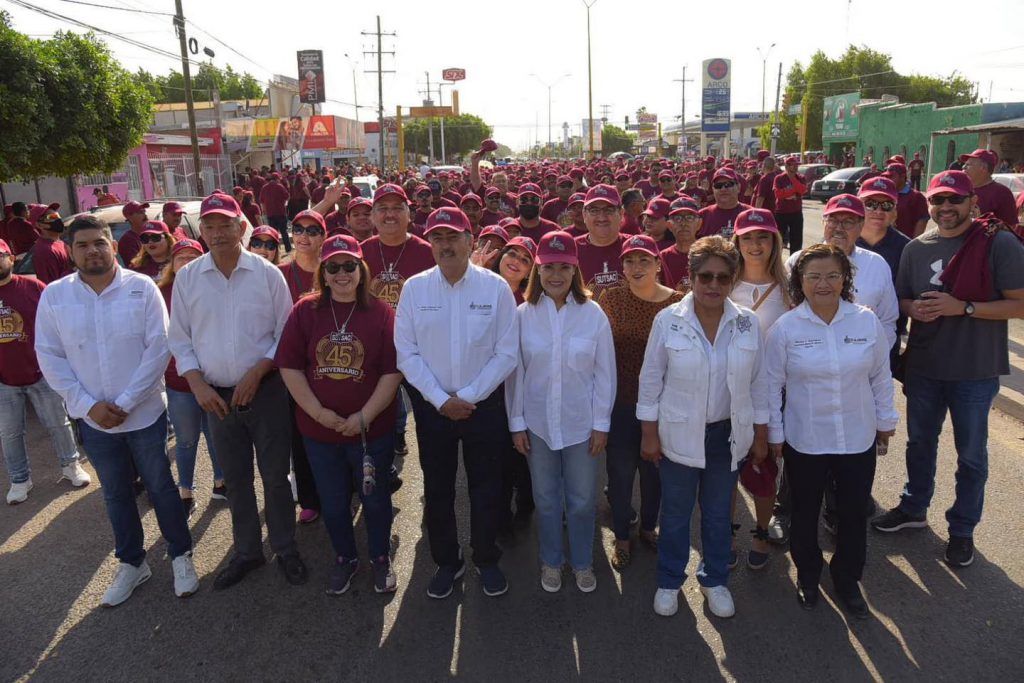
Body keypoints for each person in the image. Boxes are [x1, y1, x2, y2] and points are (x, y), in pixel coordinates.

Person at [34, 215, 198, 606]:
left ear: (112, 244)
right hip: (92, 421)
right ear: (70, 252)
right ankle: (132, 562)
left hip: (142, 415)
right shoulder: (55, 296)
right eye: (83, 245)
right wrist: (88, 406)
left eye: (100, 242)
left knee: (160, 486)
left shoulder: (141, 288)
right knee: (115, 494)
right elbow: (50, 356)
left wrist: (124, 403)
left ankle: (180, 554)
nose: (93, 250)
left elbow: (159, 348)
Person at [871, 171, 1024, 568]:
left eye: (955, 200)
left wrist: (966, 307)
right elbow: (900, 300)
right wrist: (912, 308)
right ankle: (914, 508)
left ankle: (962, 529)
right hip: (924, 366)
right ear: (928, 204)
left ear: (973, 202)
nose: (946, 208)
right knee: (920, 443)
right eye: (938, 201)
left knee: (971, 455)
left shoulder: (998, 243)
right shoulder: (916, 248)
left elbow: (1020, 304)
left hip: (974, 370)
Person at [168, 191, 308, 590]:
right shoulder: (189, 278)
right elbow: (179, 339)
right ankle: (248, 551)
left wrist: (259, 370)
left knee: (276, 475)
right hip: (215, 396)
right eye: (209, 226)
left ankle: (284, 547)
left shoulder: (267, 274)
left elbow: (286, 334)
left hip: (265, 390)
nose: (217, 233)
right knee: (236, 478)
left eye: (225, 224)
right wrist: (195, 382)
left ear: (241, 226)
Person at [638, 235, 769, 619]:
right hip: (677, 434)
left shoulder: (748, 324)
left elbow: (759, 383)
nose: (714, 285)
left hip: (726, 438)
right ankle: (668, 580)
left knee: (717, 514)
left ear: (733, 280)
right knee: (676, 513)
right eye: (705, 276)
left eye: (723, 278)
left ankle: (714, 580)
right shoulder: (668, 321)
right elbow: (650, 381)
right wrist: (648, 434)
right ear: (690, 278)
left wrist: (761, 434)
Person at [766, 243, 898, 618]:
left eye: (832, 276)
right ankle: (808, 575)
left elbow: (880, 376)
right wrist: (775, 435)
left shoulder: (865, 320)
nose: (823, 283)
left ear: (845, 279)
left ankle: (846, 578)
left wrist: (886, 422)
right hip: (805, 438)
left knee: (854, 513)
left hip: (857, 437)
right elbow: (771, 385)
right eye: (814, 277)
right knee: (805, 511)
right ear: (800, 282)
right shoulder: (786, 328)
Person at [394, 207, 518, 599]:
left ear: (470, 240)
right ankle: (448, 561)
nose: (445, 245)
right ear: (429, 243)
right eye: (437, 238)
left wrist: (466, 398)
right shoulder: (415, 288)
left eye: (453, 237)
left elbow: (506, 353)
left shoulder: (495, 288)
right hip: (434, 411)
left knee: (486, 487)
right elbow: (406, 353)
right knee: (438, 488)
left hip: (483, 409)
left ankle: (485, 557)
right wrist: (440, 400)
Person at [277, 234, 403, 595]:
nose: (342, 273)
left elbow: (392, 372)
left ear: (362, 270)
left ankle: (380, 557)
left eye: (350, 265)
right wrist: (317, 412)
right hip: (319, 432)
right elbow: (289, 366)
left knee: (375, 498)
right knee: (332, 500)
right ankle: (345, 557)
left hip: (370, 430)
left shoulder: (381, 312)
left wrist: (364, 416)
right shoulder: (305, 310)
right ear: (323, 272)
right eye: (333, 267)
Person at [506, 231, 615, 593]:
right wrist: (517, 423)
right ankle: (551, 560)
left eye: (564, 267)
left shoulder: (592, 314)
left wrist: (601, 424)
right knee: (546, 500)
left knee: (583, 501)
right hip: (537, 424)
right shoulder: (523, 315)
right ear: (537, 269)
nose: (556, 275)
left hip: (581, 424)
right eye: (549, 267)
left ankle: (582, 561)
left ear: (575, 270)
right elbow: (516, 373)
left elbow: (605, 373)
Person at [599, 234, 683, 570]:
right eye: (630, 261)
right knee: (619, 475)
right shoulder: (612, 298)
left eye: (644, 260)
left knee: (654, 475)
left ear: (657, 264)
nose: (636, 267)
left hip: (663, 405)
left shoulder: (677, 302)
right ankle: (621, 534)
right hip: (620, 404)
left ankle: (648, 527)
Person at [0, 238, 90, 504]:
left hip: (42, 373)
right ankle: (19, 479)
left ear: (11, 257)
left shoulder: (34, 287)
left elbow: (58, 326)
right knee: (9, 433)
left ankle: (70, 466)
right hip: (4, 380)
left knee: (59, 424)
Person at [729, 209, 792, 564]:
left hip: (773, 394)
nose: (755, 245)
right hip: (729, 390)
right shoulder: (724, 283)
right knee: (726, 470)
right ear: (737, 242)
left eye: (763, 237)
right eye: (747, 237)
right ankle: (727, 534)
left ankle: (761, 532)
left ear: (775, 242)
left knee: (764, 466)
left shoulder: (789, 289)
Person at [363, 184, 435, 462]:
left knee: (429, 421)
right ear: (372, 216)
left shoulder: (428, 252)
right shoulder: (360, 253)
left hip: (421, 350)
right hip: (376, 351)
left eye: (397, 208)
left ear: (409, 214)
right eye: (382, 209)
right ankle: (380, 474)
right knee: (376, 419)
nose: (390, 215)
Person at [157, 238, 226, 516]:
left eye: (192, 256)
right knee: (186, 440)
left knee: (215, 436)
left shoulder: (215, 288)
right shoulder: (161, 292)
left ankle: (221, 482)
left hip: (212, 377)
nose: (186, 262)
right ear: (172, 264)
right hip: (178, 381)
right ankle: (186, 490)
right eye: (180, 257)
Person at [278, 209, 327, 524]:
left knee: (336, 433)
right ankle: (309, 498)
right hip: (293, 367)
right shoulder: (280, 273)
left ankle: (345, 493)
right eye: (298, 229)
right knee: (300, 435)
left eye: (312, 230)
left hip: (330, 364)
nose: (304, 236)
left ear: (323, 236)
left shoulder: (335, 268)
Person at [575, 184, 628, 301]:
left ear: (621, 213)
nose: (602, 217)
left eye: (609, 210)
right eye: (594, 210)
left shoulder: (636, 247)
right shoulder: (571, 250)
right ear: (584, 214)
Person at [961, 149, 1018, 227]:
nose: (963, 167)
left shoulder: (1002, 193)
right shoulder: (961, 190)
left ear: (983, 168)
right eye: (964, 164)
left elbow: (1010, 227)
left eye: (968, 165)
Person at [661, 197, 702, 291]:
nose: (683, 223)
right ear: (669, 226)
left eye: (689, 218)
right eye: (677, 218)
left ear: (699, 224)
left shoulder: (709, 255)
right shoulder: (663, 258)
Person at [697, 169, 752, 239]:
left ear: (738, 187)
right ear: (713, 189)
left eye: (728, 184)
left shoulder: (752, 214)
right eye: (718, 185)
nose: (723, 189)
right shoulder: (702, 216)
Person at [28, 204, 72, 284]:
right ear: (39, 225)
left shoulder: (60, 243)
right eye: (52, 217)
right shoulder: (44, 251)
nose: (58, 219)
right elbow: (51, 286)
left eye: (58, 216)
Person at [885, 163, 929, 239]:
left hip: (905, 244)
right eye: (887, 177)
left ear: (902, 177)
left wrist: (913, 245)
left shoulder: (916, 196)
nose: (888, 179)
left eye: (892, 176)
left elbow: (922, 221)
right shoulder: (885, 195)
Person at [773, 156, 807, 251]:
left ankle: (794, 262)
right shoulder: (779, 178)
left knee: (796, 240)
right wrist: (793, 192)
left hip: (796, 213)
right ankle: (777, 262)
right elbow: (778, 194)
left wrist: (792, 180)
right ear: (787, 166)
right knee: (779, 240)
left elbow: (803, 190)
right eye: (793, 165)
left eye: (797, 165)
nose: (796, 167)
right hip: (781, 213)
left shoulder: (801, 178)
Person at [260, 173, 293, 252]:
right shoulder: (280, 186)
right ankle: (288, 248)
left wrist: (264, 210)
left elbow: (261, 201)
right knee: (284, 232)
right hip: (281, 213)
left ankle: (274, 250)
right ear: (277, 179)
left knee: (273, 233)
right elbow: (287, 197)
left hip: (270, 213)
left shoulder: (264, 187)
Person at [117, 201, 151, 266]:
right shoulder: (127, 240)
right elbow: (137, 265)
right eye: (140, 212)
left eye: (144, 211)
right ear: (130, 217)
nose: (145, 215)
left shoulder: (150, 235)